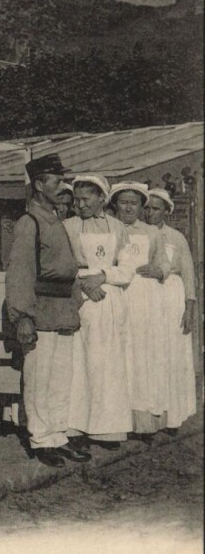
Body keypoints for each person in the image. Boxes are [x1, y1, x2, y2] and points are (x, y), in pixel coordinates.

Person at [5, 154, 91, 468]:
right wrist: (23, 316)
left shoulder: (55, 218)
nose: (61, 186)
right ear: (39, 185)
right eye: (56, 181)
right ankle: (40, 439)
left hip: (62, 310)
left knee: (60, 379)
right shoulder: (29, 223)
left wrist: (75, 301)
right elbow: (19, 274)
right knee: (39, 377)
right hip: (40, 310)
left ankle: (57, 435)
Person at [63, 174, 134, 451]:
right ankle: (75, 426)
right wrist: (83, 284)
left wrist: (102, 276)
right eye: (76, 200)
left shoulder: (117, 227)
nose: (80, 205)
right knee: (78, 364)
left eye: (86, 199)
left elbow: (127, 269)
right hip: (79, 297)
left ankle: (106, 429)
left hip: (108, 298)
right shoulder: (67, 226)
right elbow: (62, 265)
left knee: (106, 365)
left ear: (102, 199)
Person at [109, 182, 170, 438]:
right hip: (116, 296)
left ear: (141, 206)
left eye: (134, 203)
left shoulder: (150, 232)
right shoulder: (109, 229)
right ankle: (116, 421)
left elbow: (164, 263)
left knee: (141, 357)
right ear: (115, 205)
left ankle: (142, 422)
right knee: (118, 356)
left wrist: (159, 271)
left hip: (143, 301)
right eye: (123, 202)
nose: (128, 207)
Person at [146, 189, 196, 432]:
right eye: (147, 207)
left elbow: (187, 272)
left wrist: (189, 308)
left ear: (166, 211)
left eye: (155, 208)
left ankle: (171, 416)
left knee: (171, 355)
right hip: (145, 299)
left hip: (171, 297)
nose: (150, 212)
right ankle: (148, 418)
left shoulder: (176, 238)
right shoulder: (136, 234)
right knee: (149, 355)